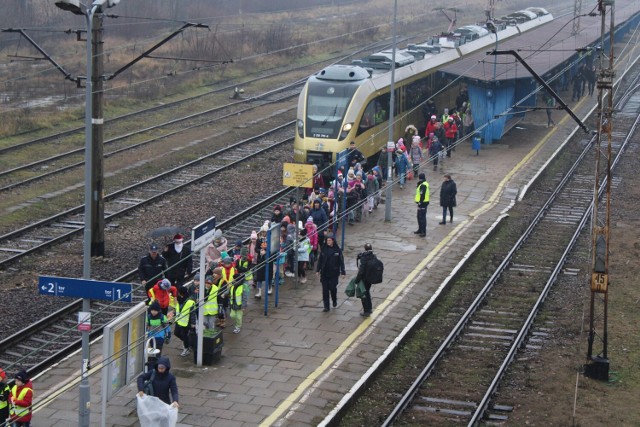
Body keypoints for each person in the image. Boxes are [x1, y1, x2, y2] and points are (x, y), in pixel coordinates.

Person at [316, 233, 346, 312]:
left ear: (333, 241)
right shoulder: (324, 249)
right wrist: (317, 270)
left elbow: (341, 261)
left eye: (329, 240)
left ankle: (334, 300)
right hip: (324, 273)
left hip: (334, 273)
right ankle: (326, 306)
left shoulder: (337, 250)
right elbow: (320, 260)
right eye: (327, 240)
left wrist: (343, 272)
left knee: (333, 288)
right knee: (325, 290)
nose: (328, 242)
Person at [174, 286, 196, 357]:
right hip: (179, 320)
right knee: (176, 333)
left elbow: (193, 313)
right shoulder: (179, 299)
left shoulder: (190, 301)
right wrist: (174, 313)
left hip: (186, 322)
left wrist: (193, 323)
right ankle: (189, 343)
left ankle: (186, 348)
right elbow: (179, 309)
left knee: (184, 335)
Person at [355, 243, 376, 317]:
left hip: (364, 279)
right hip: (370, 278)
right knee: (367, 292)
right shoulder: (373, 256)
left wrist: (357, 279)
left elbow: (361, 270)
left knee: (363, 294)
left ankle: (366, 310)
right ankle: (369, 308)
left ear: (365, 249)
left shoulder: (364, 258)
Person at [414, 173, 430, 237]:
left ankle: (423, 232)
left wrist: (420, 202)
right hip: (421, 203)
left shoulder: (423, 185)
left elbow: (422, 194)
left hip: (423, 203)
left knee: (422, 218)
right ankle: (420, 229)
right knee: (418, 217)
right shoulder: (422, 184)